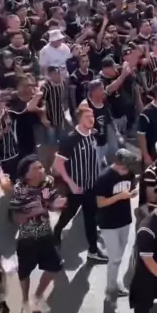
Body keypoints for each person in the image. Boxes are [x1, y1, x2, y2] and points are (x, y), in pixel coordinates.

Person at [10, 155, 67, 313]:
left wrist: (56, 205)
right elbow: (17, 218)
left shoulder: (47, 182)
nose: (42, 170)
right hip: (27, 238)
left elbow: (51, 202)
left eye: (41, 167)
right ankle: (25, 302)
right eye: (37, 168)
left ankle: (38, 296)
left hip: (45, 234)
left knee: (54, 267)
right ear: (27, 175)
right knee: (25, 273)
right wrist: (38, 209)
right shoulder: (19, 190)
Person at [52, 105, 108, 263]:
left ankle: (93, 250)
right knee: (69, 214)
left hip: (92, 187)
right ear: (79, 119)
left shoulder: (92, 134)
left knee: (91, 218)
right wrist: (71, 184)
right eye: (87, 117)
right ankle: (56, 232)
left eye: (92, 116)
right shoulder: (71, 139)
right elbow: (58, 165)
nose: (91, 119)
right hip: (77, 188)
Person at [94, 149, 137, 299]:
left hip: (125, 220)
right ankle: (111, 288)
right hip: (108, 223)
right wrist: (120, 196)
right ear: (118, 164)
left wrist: (132, 193)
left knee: (119, 256)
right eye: (125, 167)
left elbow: (131, 189)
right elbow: (100, 203)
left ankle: (114, 283)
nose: (127, 170)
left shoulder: (130, 174)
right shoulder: (104, 178)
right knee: (114, 259)